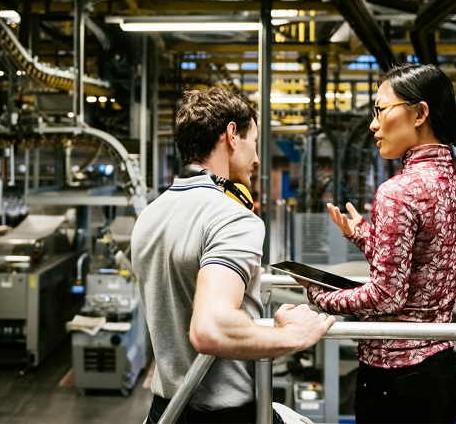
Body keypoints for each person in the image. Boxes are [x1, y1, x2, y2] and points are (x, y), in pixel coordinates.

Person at [299, 64, 456, 423]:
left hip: (395, 382)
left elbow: (386, 296)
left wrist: (318, 296)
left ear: (419, 113)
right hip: (439, 371)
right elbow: (422, 265)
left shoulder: (399, 191)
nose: (373, 124)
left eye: (380, 110)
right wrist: (362, 235)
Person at [131, 87, 335, 424]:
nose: (256, 160)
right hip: (225, 416)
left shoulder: (151, 215)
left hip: (166, 410)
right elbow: (210, 329)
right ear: (231, 135)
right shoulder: (234, 218)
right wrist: (290, 336)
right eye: (253, 143)